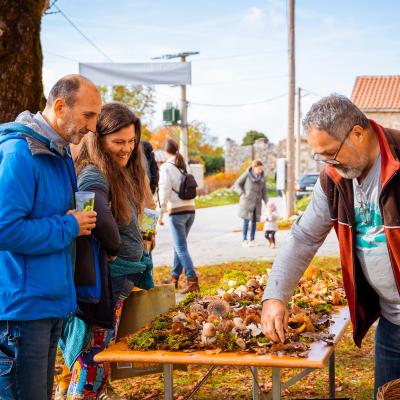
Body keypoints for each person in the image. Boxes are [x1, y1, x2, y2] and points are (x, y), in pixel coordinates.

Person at [261, 94, 400, 397]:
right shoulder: (334, 178)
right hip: (393, 325)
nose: (328, 164)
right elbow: (303, 237)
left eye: (331, 153)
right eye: (321, 157)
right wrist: (275, 296)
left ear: (358, 134)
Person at [0, 74, 100, 400]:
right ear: (60, 106)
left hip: (50, 305)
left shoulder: (57, 153)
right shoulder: (20, 153)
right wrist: (68, 227)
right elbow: (5, 228)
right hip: (22, 311)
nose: (93, 127)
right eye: (88, 115)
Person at [58, 102, 154, 399]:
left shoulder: (121, 171)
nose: (127, 148)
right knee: (92, 365)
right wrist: (113, 246)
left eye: (131, 141)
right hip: (101, 289)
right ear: (98, 140)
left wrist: (144, 241)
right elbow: (94, 219)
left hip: (115, 285)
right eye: (118, 142)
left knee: (94, 364)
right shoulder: (93, 174)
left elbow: (144, 212)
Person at [158, 138, 199, 294]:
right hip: (191, 210)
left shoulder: (166, 168)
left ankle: (192, 279)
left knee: (180, 247)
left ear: (164, 151)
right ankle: (174, 277)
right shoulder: (184, 164)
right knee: (179, 245)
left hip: (177, 212)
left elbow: (165, 191)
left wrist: (160, 213)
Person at [234, 159, 268, 247]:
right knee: (246, 221)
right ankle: (244, 240)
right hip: (247, 201)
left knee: (254, 222)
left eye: (261, 169)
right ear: (254, 168)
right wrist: (242, 193)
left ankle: (252, 240)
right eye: (259, 169)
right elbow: (237, 184)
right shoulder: (247, 175)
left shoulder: (263, 178)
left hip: (257, 203)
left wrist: (267, 203)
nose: (260, 171)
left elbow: (264, 192)